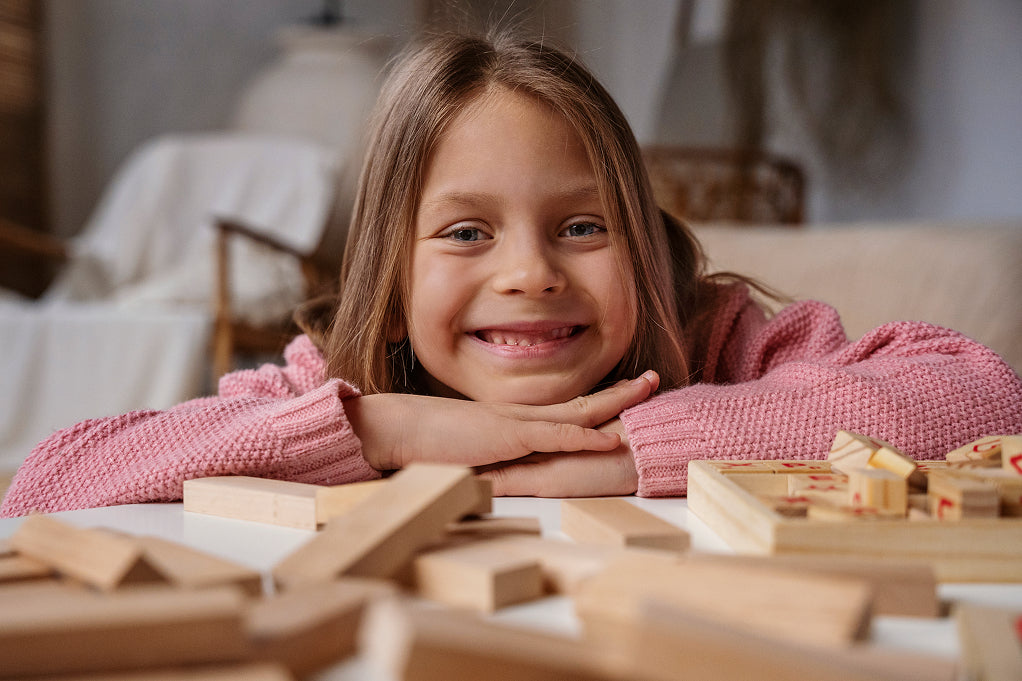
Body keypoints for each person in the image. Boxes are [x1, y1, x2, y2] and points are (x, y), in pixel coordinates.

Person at [3, 30, 1020, 518]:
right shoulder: (342, 382)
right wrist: (372, 429)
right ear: (390, 283)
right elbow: (48, 481)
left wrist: (635, 449)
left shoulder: (716, 338)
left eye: (581, 226)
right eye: (465, 235)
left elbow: (986, 398)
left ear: (638, 232)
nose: (529, 274)